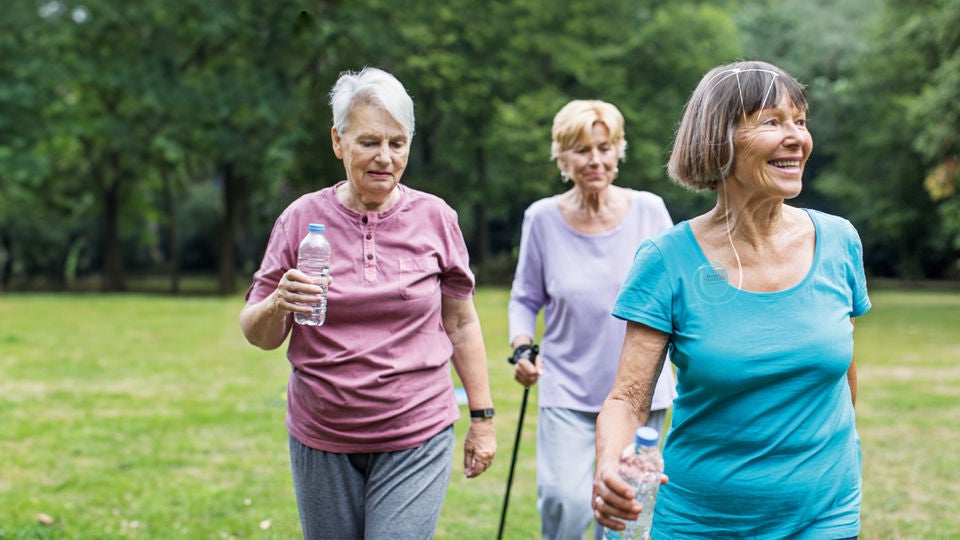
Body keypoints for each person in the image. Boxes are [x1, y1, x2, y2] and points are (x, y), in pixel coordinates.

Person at [592, 60, 870, 539]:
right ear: (718, 138)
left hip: (825, 514)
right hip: (702, 521)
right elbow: (629, 398)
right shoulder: (667, 259)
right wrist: (608, 466)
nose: (797, 138)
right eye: (772, 121)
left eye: (800, 121)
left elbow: (843, 372)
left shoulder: (839, 240)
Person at [239, 67, 496, 539]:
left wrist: (482, 418)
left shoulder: (436, 218)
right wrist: (279, 303)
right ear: (338, 142)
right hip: (323, 434)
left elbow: (460, 322)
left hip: (415, 430)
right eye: (368, 142)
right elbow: (258, 333)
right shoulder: (300, 219)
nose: (384, 157)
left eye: (397, 143)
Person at [508, 99, 677, 540]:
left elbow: (676, 294)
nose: (596, 160)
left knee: (623, 512)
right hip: (568, 388)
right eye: (582, 150)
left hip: (640, 390)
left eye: (605, 147)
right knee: (564, 501)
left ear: (619, 150)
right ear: (562, 158)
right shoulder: (541, 219)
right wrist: (521, 346)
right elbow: (525, 297)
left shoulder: (650, 211)